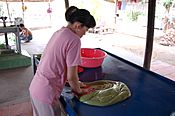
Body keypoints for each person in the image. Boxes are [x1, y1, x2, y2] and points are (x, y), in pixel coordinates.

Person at [29, 6, 96, 116]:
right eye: (86, 30)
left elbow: (56, 64)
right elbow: (72, 76)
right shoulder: (74, 40)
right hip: (46, 93)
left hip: (36, 88)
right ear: (78, 26)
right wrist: (79, 91)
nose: (85, 34)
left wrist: (76, 83)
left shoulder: (60, 32)